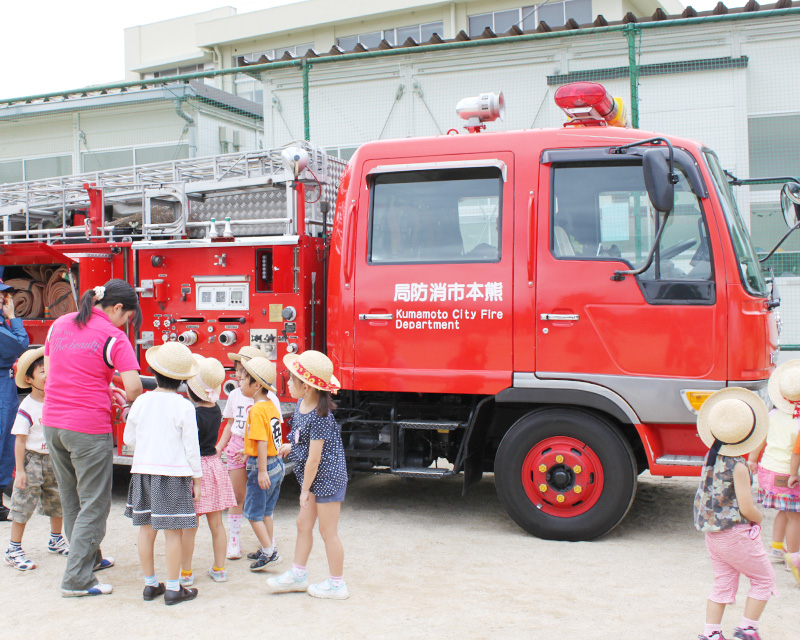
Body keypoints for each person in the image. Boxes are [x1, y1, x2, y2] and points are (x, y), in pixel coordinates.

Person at [43, 279, 142, 597]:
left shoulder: (59, 324)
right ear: (116, 308)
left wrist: (103, 384)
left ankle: (90, 560)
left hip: (53, 422)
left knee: (72, 500)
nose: (125, 321)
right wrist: (123, 402)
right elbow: (135, 387)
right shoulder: (114, 336)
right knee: (95, 505)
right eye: (126, 315)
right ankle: (77, 581)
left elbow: (54, 370)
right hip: (87, 427)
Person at [693, 387, 777, 640]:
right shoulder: (738, 466)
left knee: (724, 582)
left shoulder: (711, 455)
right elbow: (746, 507)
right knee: (765, 579)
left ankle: (711, 633)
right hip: (735, 533)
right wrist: (759, 518)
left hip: (713, 535)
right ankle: (748, 629)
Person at [123, 342, 201, 605]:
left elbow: (128, 438)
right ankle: (173, 588)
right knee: (174, 532)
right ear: (182, 379)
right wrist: (197, 479)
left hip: (143, 472)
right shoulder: (184, 406)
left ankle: (149, 585)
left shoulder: (141, 401)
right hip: (173, 475)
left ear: (154, 374)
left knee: (146, 530)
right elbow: (192, 447)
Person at [267, 350, 349, 600]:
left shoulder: (322, 416)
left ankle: (337, 585)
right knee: (303, 524)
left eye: (292, 380)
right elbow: (306, 443)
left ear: (306, 386)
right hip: (314, 478)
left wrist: (303, 491)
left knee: (328, 531)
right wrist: (292, 445)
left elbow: (315, 458)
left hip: (326, 479)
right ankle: (298, 574)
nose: (288, 383)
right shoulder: (304, 405)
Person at [4, 347, 68, 570]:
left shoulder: (57, 400)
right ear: (29, 379)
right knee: (22, 504)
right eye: (42, 372)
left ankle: (56, 539)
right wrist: (20, 470)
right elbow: (20, 440)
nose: (48, 375)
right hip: (32, 461)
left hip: (54, 460)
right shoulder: (27, 406)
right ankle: (13, 549)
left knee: (58, 501)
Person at [218, 345, 281, 560]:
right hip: (237, 446)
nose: (237, 373)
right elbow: (229, 424)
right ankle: (234, 539)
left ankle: (268, 542)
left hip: (257, 451)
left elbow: (269, 433)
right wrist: (220, 447)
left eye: (241, 369)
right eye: (237, 368)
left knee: (261, 499)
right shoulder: (235, 395)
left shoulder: (269, 400)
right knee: (237, 496)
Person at [180, 355, 237, 586]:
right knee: (217, 524)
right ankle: (220, 568)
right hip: (214, 465)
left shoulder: (193, 414)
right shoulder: (215, 409)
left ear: (193, 391)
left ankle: (186, 572)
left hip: (197, 470)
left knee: (189, 527)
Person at [748, 359, 800, 578]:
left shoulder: (771, 415)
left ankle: (777, 547)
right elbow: (796, 453)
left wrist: (752, 460)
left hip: (768, 471)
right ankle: (795, 557)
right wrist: (794, 474)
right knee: (796, 517)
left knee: (784, 511)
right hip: (787, 474)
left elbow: (760, 439)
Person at [236, 356, 284, 571]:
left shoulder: (255, 410)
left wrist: (261, 470)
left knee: (253, 514)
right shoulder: (270, 405)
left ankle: (268, 551)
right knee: (266, 512)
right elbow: (266, 438)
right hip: (277, 464)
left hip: (263, 466)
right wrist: (248, 452)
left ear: (256, 384)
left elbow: (262, 441)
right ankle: (269, 545)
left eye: (243, 378)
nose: (239, 381)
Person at [0, 278, 29, 521]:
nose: (4, 299)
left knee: (6, 440)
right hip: (1, 383)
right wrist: (14, 318)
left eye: (5, 295)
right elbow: (20, 344)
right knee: (2, 439)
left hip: (5, 382)